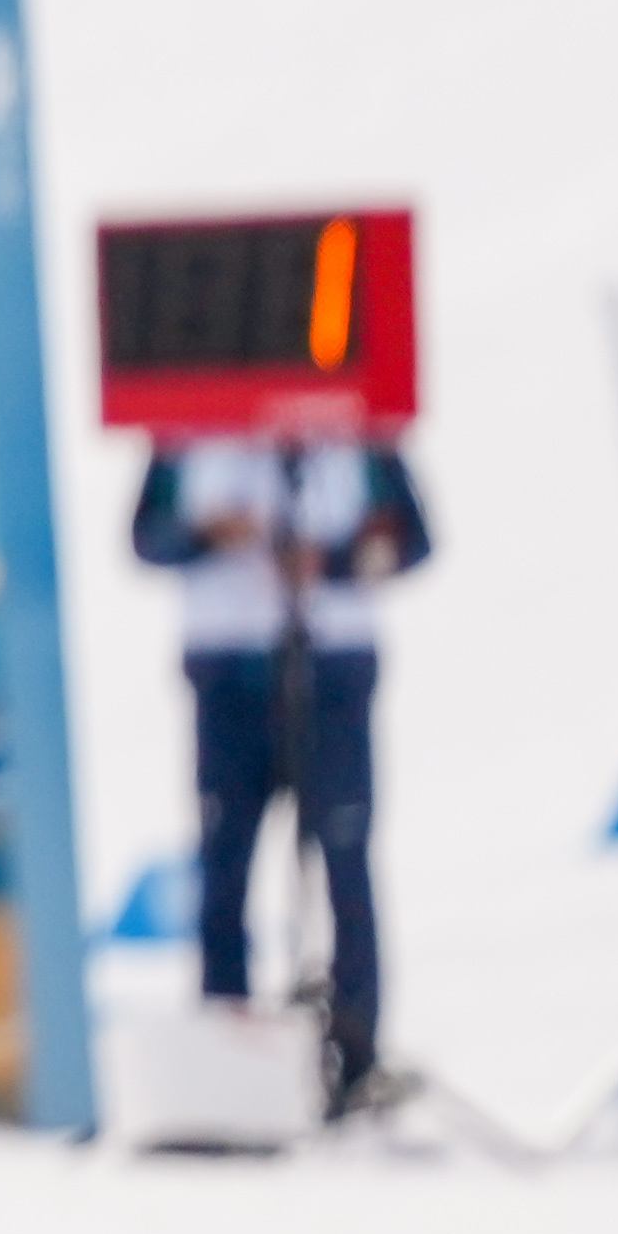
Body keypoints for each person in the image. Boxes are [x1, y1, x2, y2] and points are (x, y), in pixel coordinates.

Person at [128, 408, 429, 1117]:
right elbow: (147, 536)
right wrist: (208, 535)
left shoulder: (360, 429)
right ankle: (225, 1061)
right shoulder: (190, 424)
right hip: (227, 669)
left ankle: (357, 1056)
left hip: (333, 668)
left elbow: (411, 538)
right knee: (224, 864)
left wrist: (333, 561)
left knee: (346, 861)